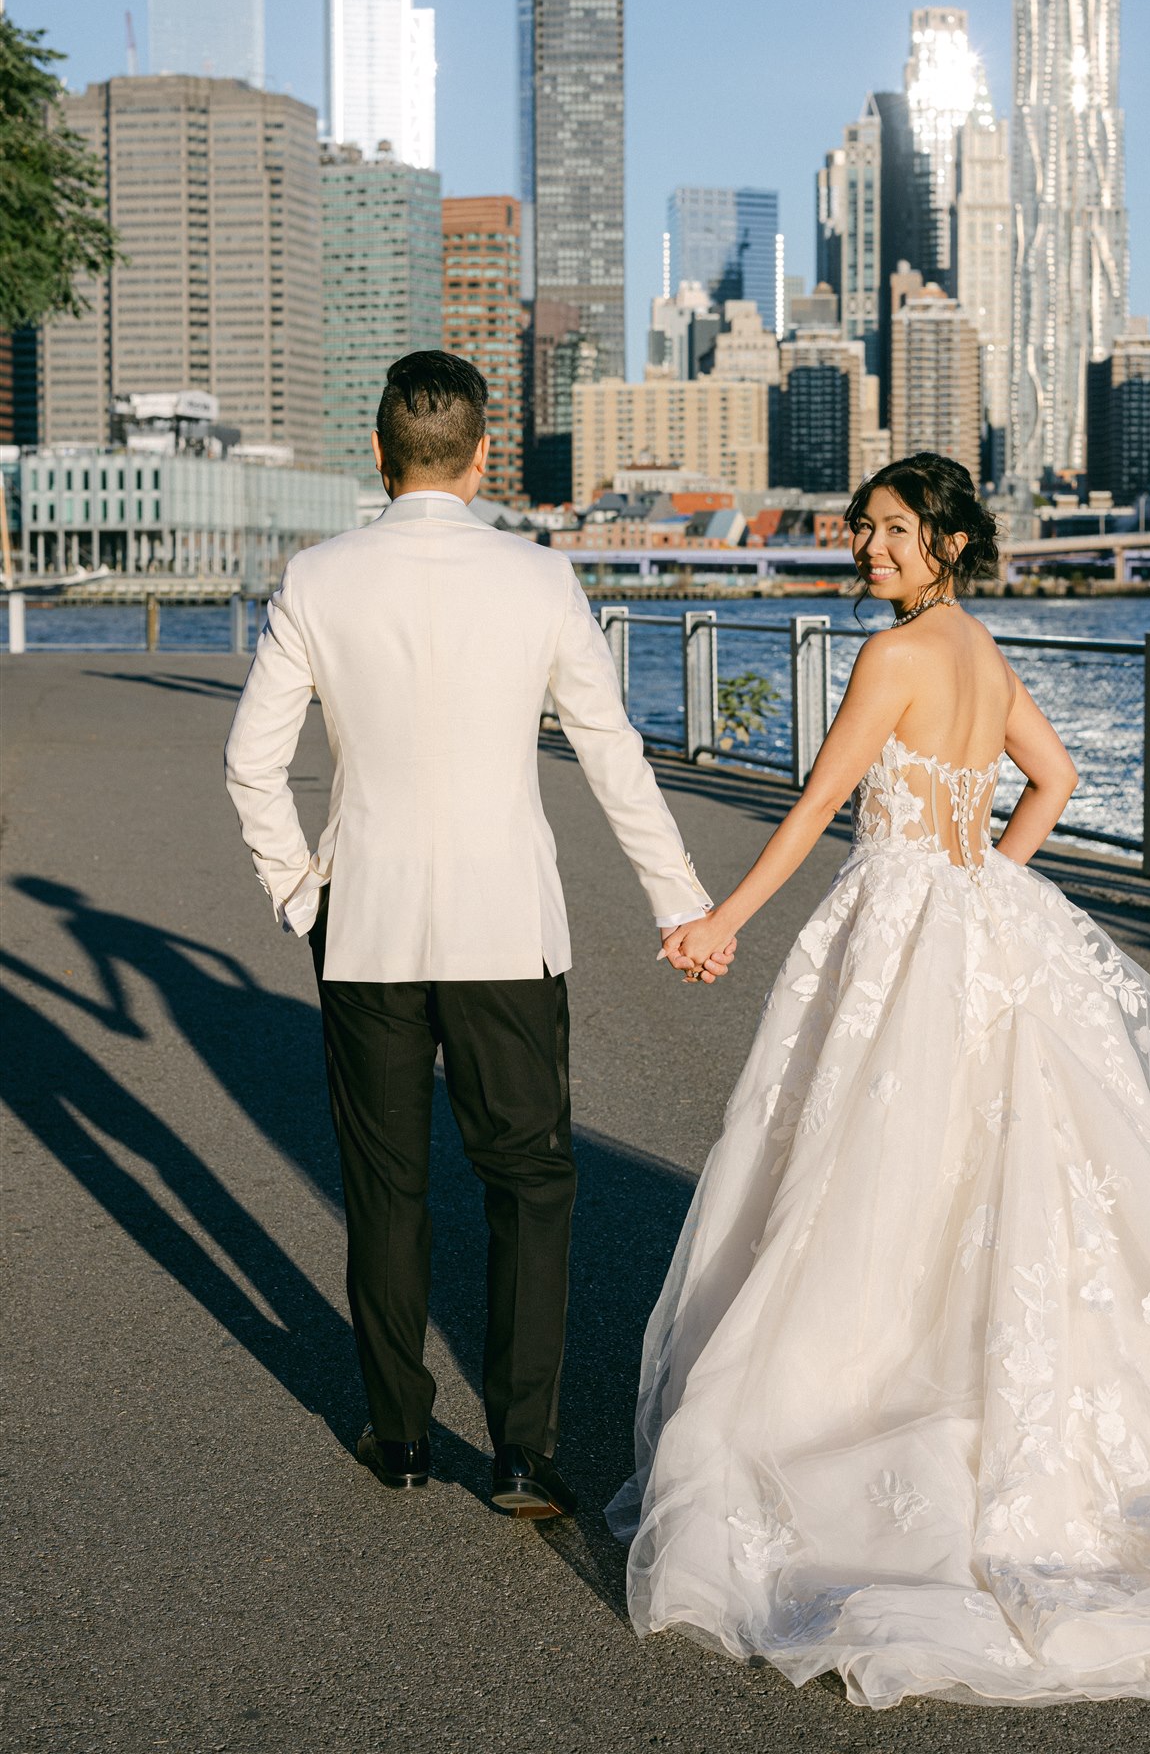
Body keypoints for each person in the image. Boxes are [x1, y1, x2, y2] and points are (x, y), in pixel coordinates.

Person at [609, 452, 1150, 1707]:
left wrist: (721, 920)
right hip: (978, 922)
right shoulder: (985, 653)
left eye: (895, 531)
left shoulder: (894, 660)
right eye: (866, 529)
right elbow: (1055, 782)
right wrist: (989, 880)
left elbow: (814, 810)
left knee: (883, 1171)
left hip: (905, 930)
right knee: (1002, 1169)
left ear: (948, 541)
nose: (869, 548)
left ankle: (877, 1401)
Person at [225, 351, 733, 1517]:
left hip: (369, 931)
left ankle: (400, 1433)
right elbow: (611, 753)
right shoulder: (539, 577)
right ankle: (520, 1450)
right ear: (485, 452)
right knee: (531, 1182)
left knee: (386, 1184)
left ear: (378, 450)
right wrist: (679, 901)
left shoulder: (319, 576)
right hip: (509, 927)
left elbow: (251, 762)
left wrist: (303, 895)